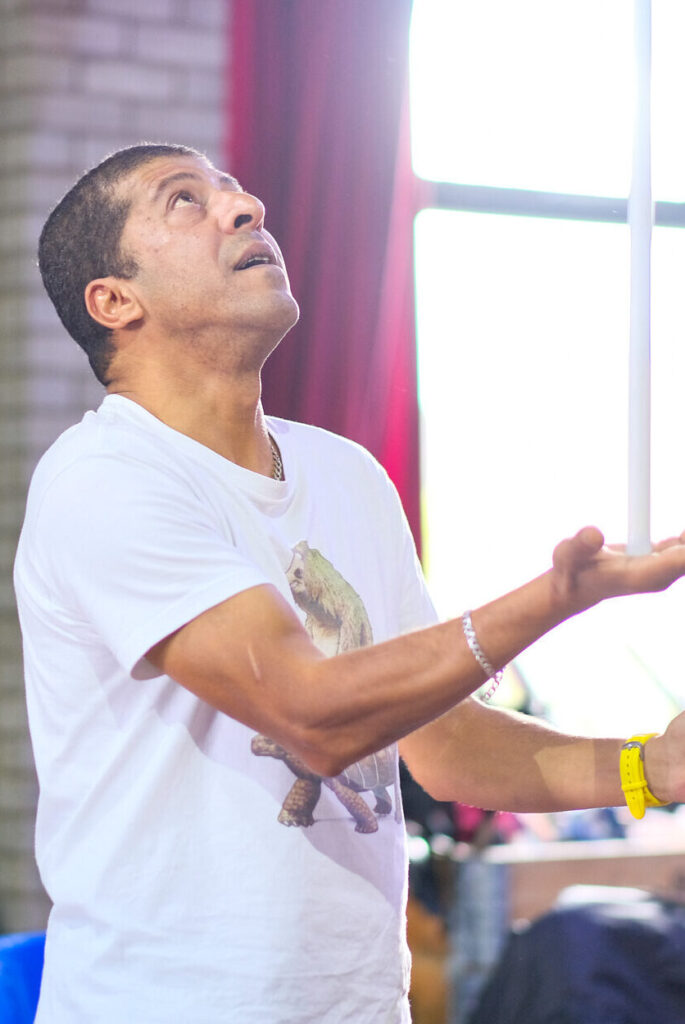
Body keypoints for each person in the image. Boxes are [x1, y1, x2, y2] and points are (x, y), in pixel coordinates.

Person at [13, 142, 685, 1023]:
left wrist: (649, 766)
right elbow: (309, 714)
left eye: (235, 190)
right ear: (114, 300)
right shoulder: (105, 478)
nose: (245, 207)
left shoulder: (345, 475)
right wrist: (553, 601)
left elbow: (445, 747)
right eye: (185, 201)